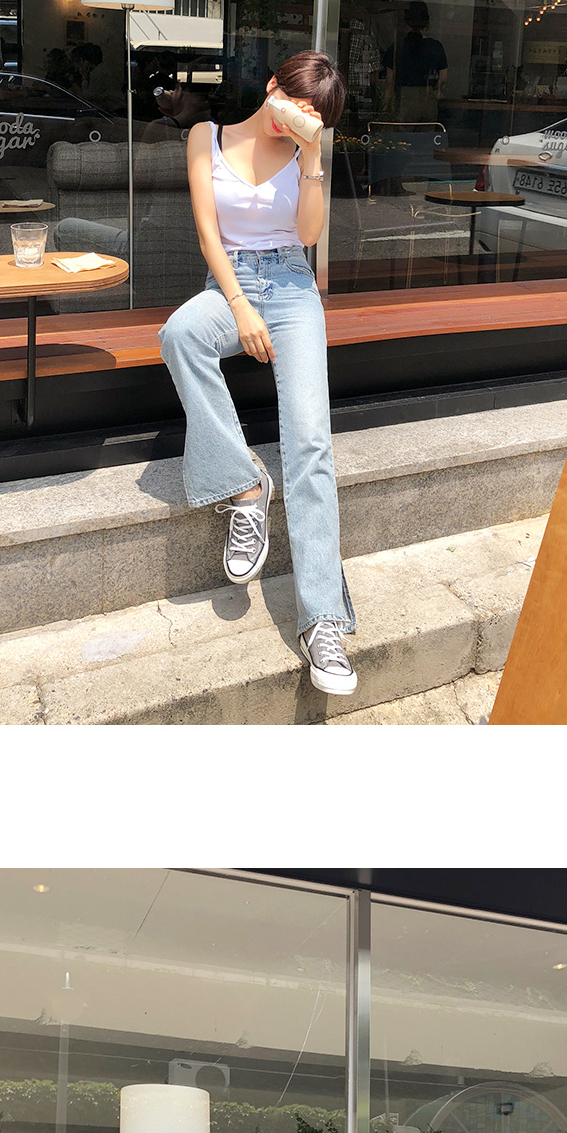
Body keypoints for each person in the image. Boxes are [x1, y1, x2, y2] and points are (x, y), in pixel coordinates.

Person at [158, 50, 358, 699]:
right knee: (181, 333)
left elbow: (308, 235)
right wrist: (241, 308)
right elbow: (208, 235)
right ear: (272, 85)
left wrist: (312, 155)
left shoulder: (306, 154)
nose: (298, 116)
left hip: (293, 285)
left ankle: (324, 622)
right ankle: (244, 486)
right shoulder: (206, 137)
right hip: (231, 281)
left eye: (314, 114)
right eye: (295, 101)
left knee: (310, 443)